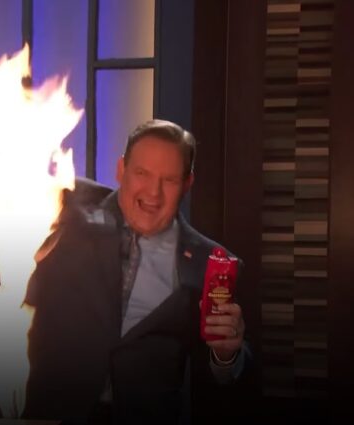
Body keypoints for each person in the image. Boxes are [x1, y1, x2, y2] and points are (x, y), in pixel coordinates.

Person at [24, 120, 250, 424]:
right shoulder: (67, 208)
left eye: (169, 179)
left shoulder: (212, 263)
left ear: (187, 184)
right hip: (52, 413)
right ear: (121, 170)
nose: (153, 192)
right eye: (142, 173)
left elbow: (227, 381)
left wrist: (226, 355)